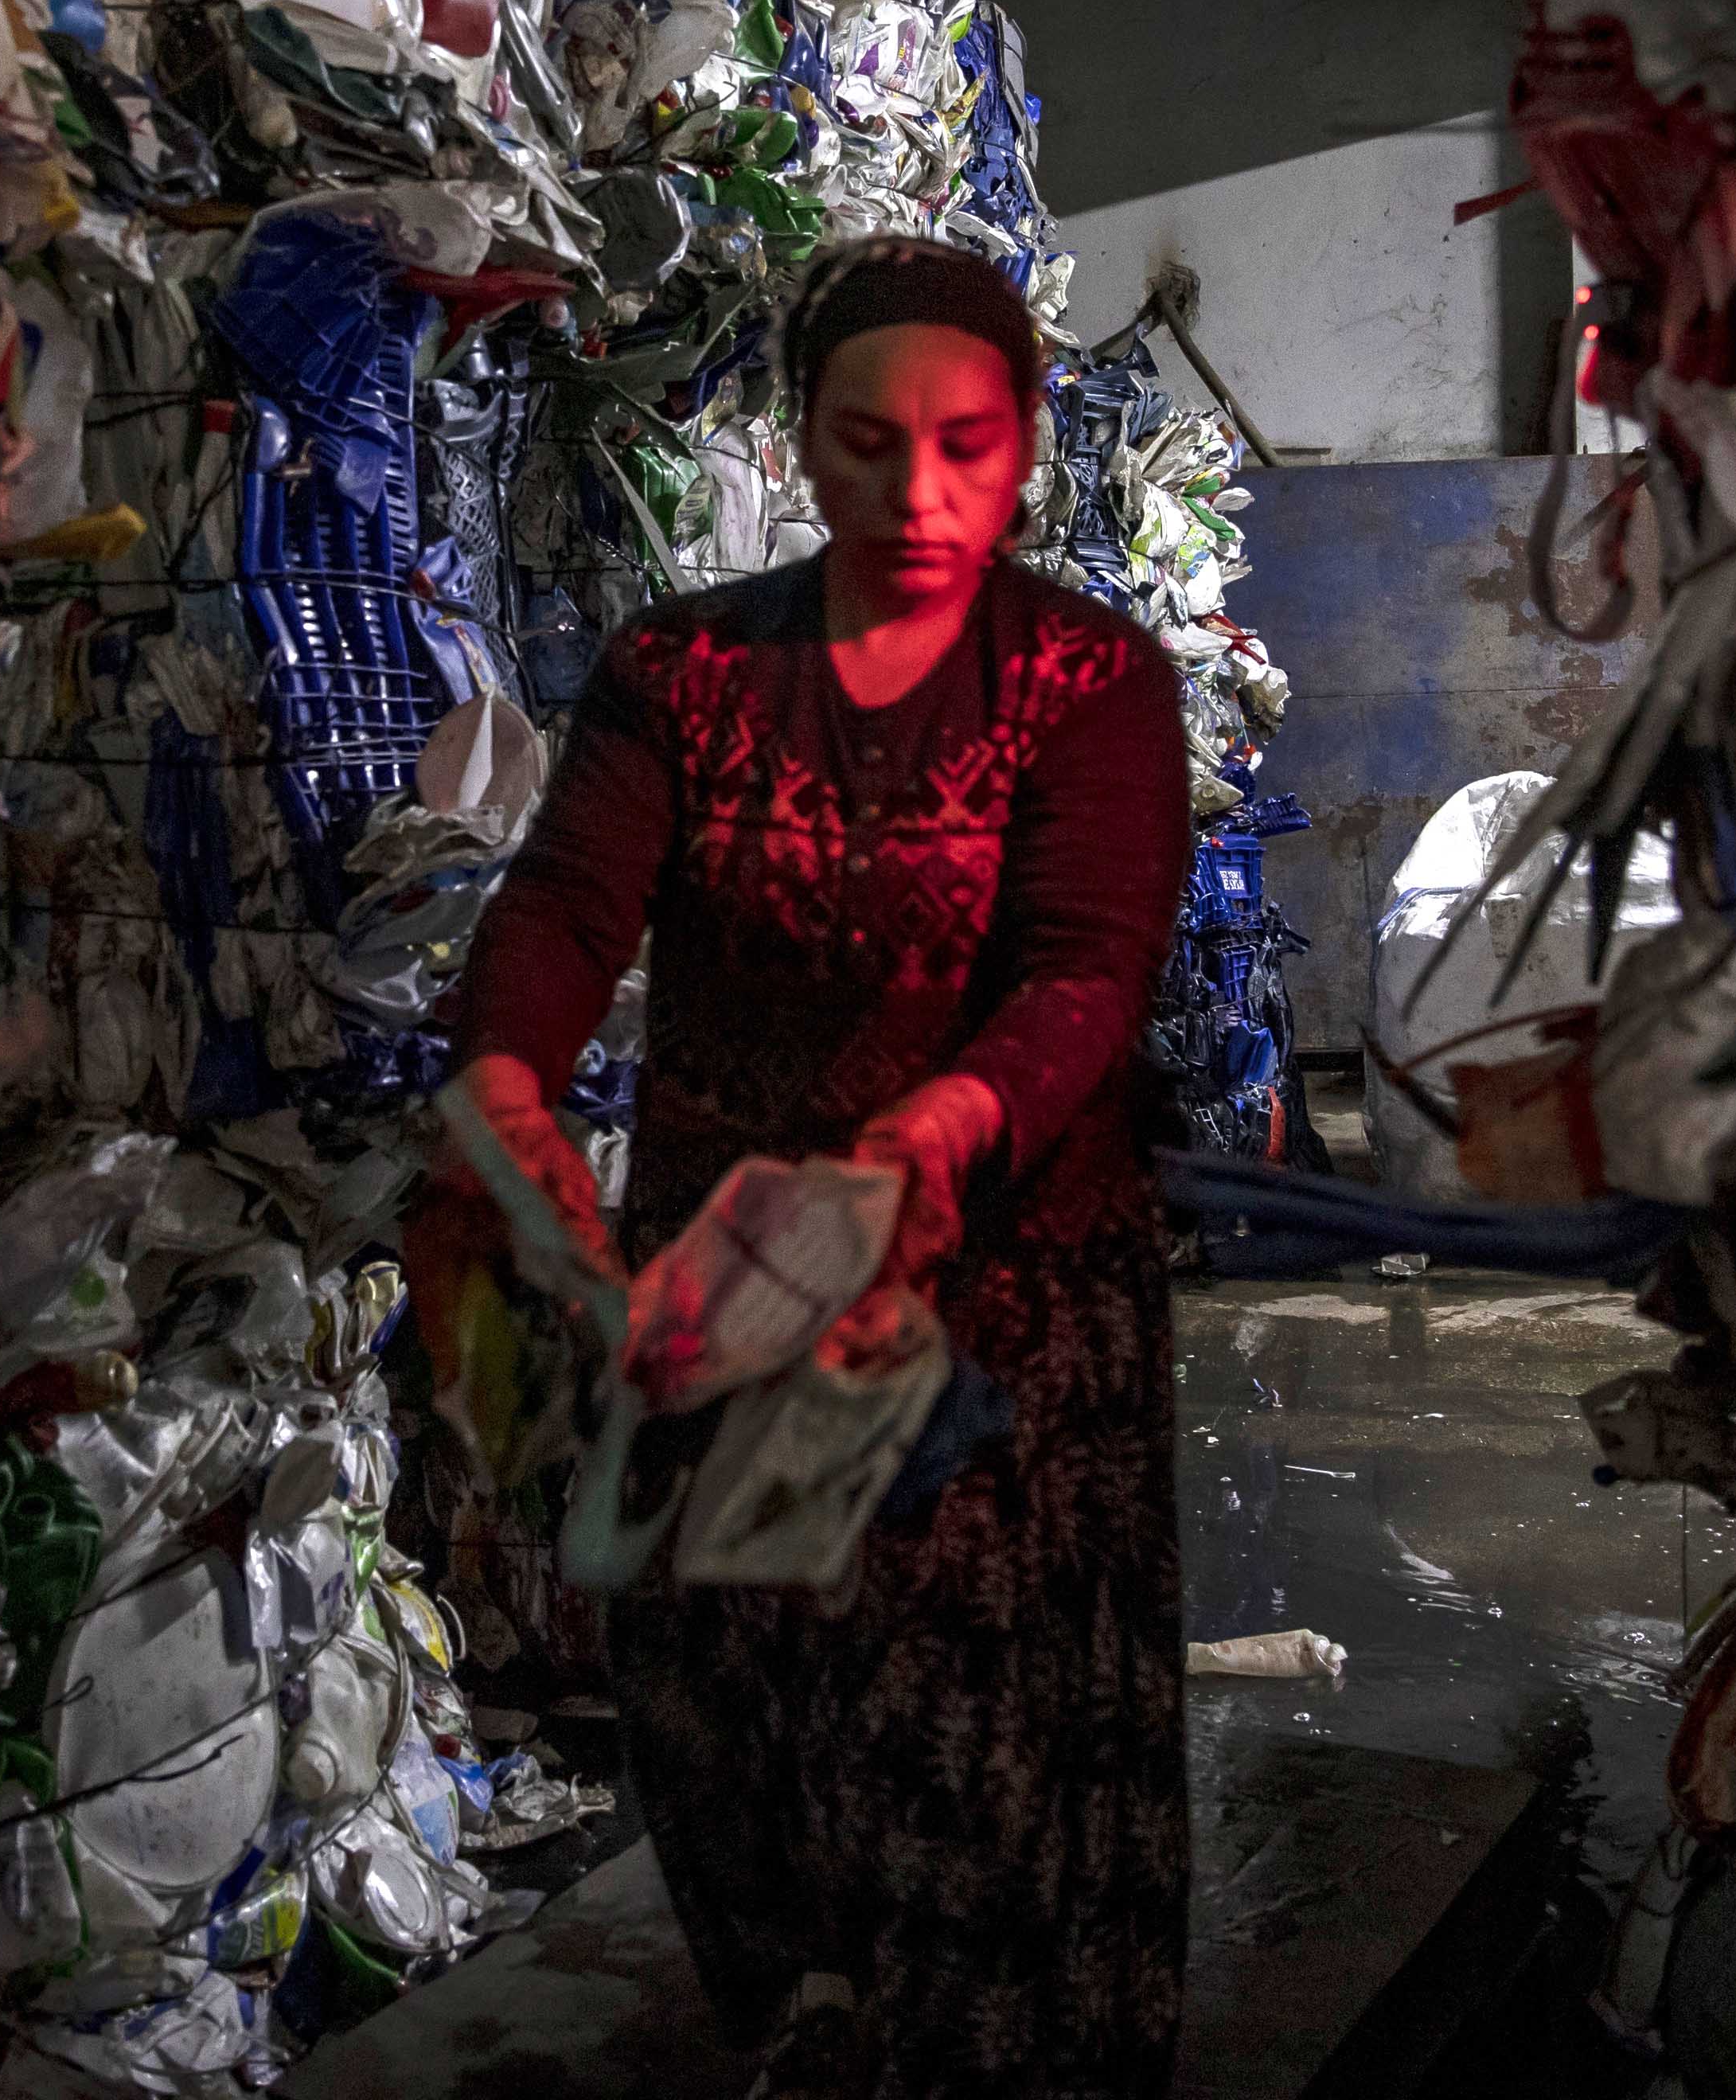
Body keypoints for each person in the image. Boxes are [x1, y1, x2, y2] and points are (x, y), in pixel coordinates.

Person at [439, 236, 1196, 2100]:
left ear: (1024, 441)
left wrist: (922, 1148)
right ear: (801, 441)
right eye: (867, 442)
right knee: (726, 1698)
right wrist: (504, 1083)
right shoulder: (685, 673)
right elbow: (563, 907)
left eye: (967, 443)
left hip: (993, 1288)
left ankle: (981, 2051)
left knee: (955, 1729)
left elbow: (1085, 973)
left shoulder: (1092, 684)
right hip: (730, 1275)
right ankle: (806, 2013)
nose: (918, 494)